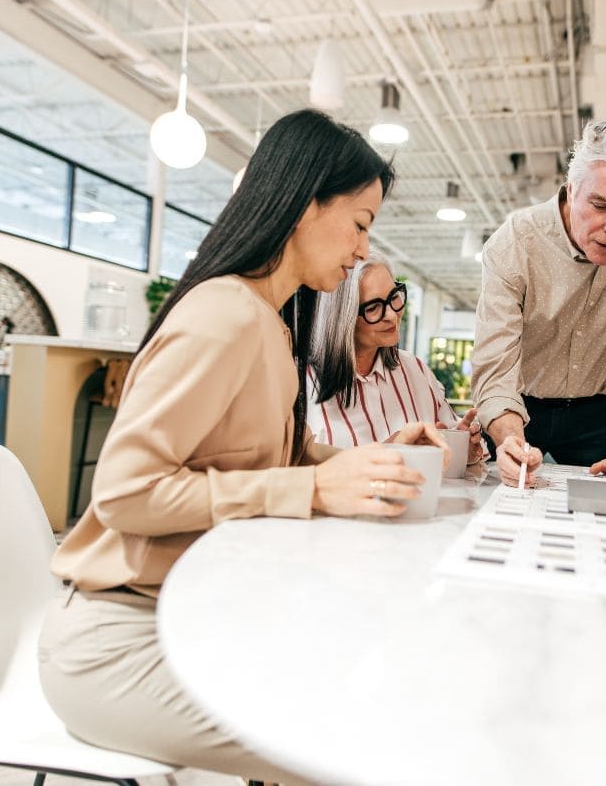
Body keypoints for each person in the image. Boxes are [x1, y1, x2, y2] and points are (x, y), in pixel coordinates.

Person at [38, 109, 447, 783]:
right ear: (304, 203)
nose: (362, 251)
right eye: (361, 223)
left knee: (371, 679)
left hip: (192, 615)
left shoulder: (269, 323)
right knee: (360, 739)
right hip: (119, 640)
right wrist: (312, 488)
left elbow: (277, 455)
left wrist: (363, 460)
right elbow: (125, 493)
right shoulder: (222, 316)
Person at [471, 116, 606, 486]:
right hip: (521, 407)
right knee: (502, 497)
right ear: (571, 190)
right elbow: (496, 366)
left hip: (605, 411)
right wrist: (508, 440)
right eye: (602, 205)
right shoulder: (515, 242)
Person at [306, 251, 488, 465]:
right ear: (342, 319)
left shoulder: (416, 370)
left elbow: (451, 448)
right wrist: (391, 450)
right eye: (373, 308)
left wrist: (462, 448)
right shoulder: (302, 384)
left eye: (394, 297)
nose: (392, 315)